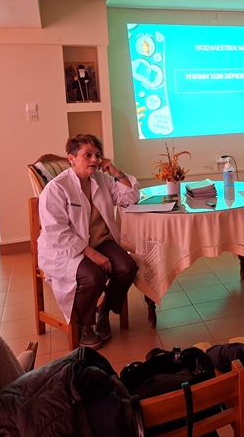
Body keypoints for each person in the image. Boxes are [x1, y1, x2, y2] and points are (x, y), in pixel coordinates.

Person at [37, 134, 140, 349]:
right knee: (93, 278)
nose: (94, 159)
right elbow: (56, 232)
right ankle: (84, 325)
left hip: (99, 240)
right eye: (88, 155)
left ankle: (103, 312)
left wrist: (116, 172)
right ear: (71, 158)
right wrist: (91, 254)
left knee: (127, 267)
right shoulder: (56, 188)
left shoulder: (100, 179)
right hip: (66, 249)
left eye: (97, 155)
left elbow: (130, 198)